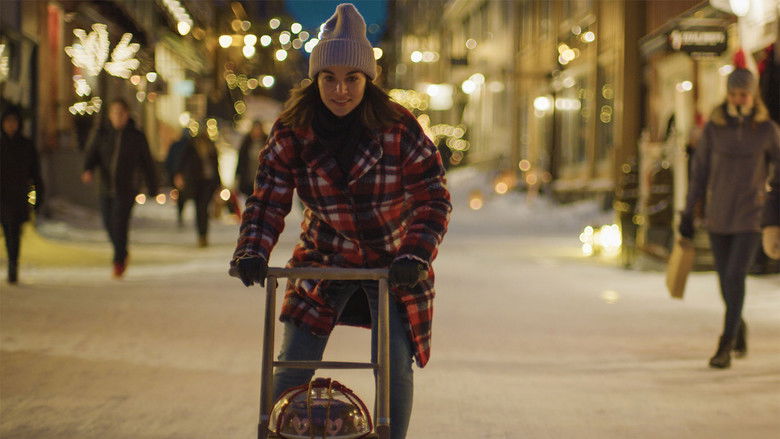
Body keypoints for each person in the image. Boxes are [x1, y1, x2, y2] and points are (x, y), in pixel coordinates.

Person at [230, 4, 451, 438]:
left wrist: (414, 254)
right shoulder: (294, 128)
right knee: (291, 363)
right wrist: (253, 249)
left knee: (393, 366)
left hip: (392, 262)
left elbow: (433, 197)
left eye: (352, 78)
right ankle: (277, 431)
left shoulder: (398, 126)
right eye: (329, 78)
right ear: (316, 80)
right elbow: (269, 197)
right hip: (324, 256)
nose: (341, 90)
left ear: (367, 79)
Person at [679, 68, 780, 369]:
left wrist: (772, 205)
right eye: (734, 94)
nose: (739, 99)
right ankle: (740, 326)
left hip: (751, 215)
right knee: (725, 282)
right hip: (718, 215)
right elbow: (699, 175)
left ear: (753, 95)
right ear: (728, 95)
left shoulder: (766, 130)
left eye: (744, 94)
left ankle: (725, 342)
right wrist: (687, 212)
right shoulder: (714, 128)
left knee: (736, 276)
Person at [82, 98, 158, 278]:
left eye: (121, 113)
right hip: (105, 187)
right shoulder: (102, 133)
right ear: (110, 115)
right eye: (115, 113)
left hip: (127, 188)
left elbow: (147, 162)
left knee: (120, 224)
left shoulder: (136, 136)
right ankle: (122, 252)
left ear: (127, 115)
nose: (118, 117)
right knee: (108, 223)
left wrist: (152, 185)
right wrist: (88, 169)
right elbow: (92, 153)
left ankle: (118, 261)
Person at [1, 105, 44, 284]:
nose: (11, 125)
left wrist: (38, 195)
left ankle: (13, 264)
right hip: (1, 196)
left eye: (14, 122)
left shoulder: (26, 145)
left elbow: (35, 172)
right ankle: (11, 262)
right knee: (7, 230)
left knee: (14, 231)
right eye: (7, 122)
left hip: (18, 196)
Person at [174, 129, 221, 247]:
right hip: (195, 182)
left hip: (208, 182)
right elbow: (182, 161)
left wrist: (219, 184)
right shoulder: (191, 146)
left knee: (203, 208)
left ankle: (203, 235)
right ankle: (202, 235)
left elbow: (216, 166)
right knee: (200, 209)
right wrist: (179, 175)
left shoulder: (211, 147)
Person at [165, 128, 191, 226]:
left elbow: (169, 160)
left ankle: (180, 212)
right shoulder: (189, 146)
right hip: (185, 174)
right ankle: (181, 212)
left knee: (180, 195)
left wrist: (171, 172)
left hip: (176, 174)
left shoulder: (175, 145)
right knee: (182, 195)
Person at [235, 120, 267, 198]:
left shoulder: (266, 142)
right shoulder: (246, 143)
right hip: (248, 180)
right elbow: (241, 161)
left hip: (262, 180)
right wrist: (237, 177)